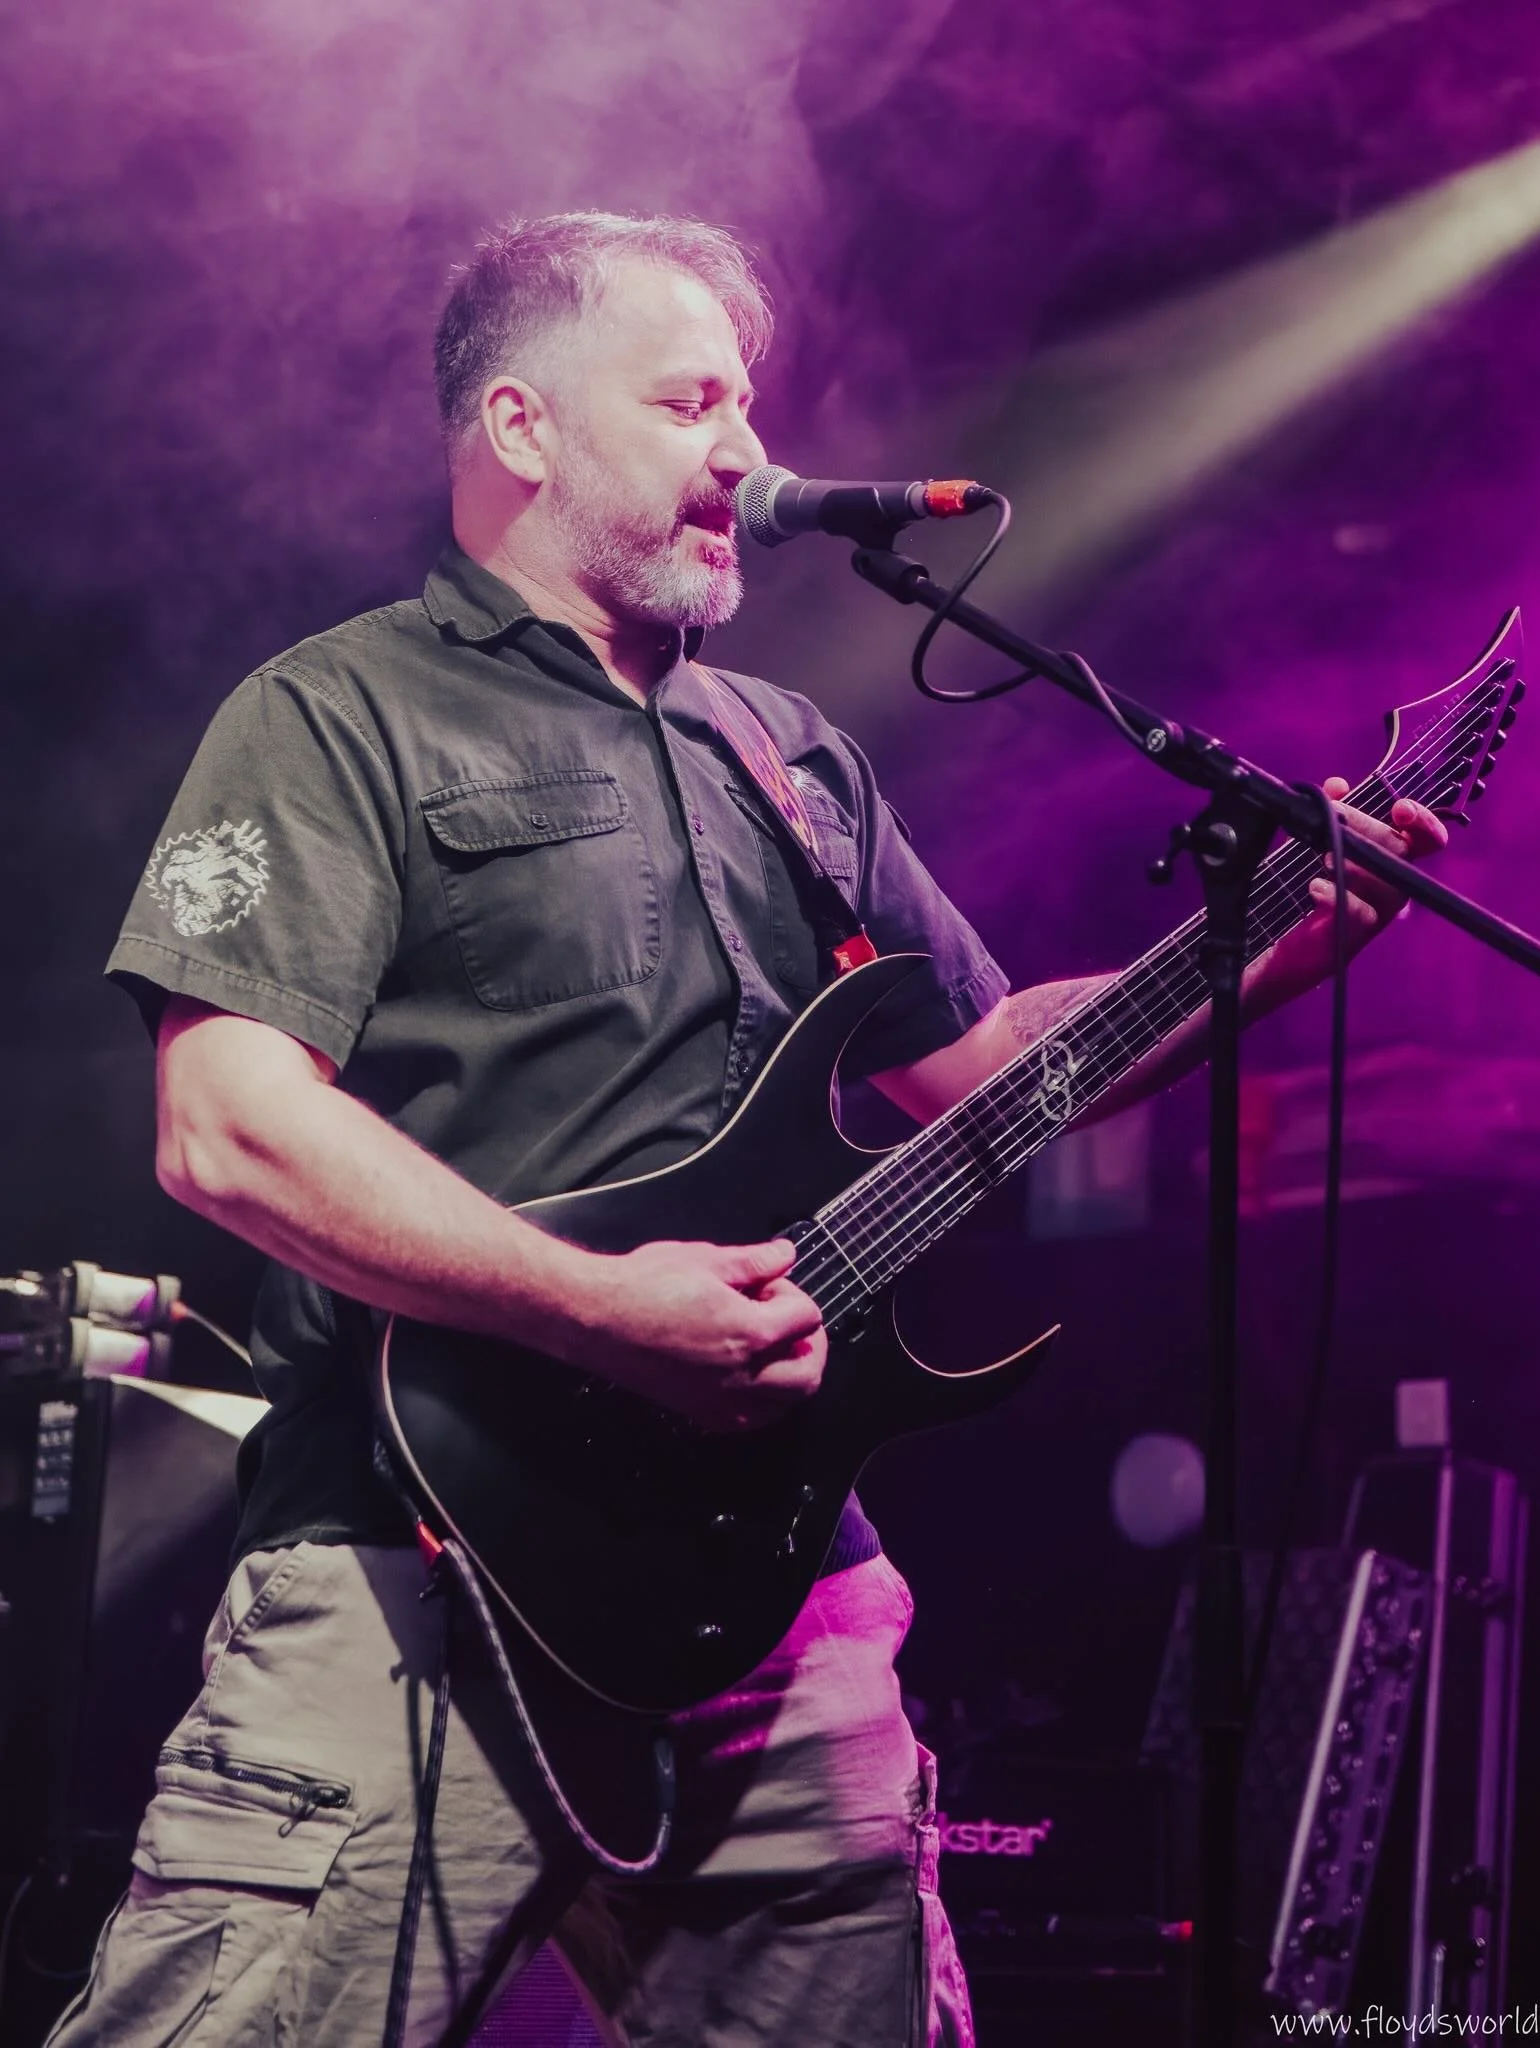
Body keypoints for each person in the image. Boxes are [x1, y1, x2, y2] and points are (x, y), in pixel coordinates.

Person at [50, 212, 1445, 2047]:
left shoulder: (787, 750)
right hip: (417, 1574)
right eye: (690, 396)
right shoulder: (338, 713)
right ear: (524, 427)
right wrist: (601, 1310)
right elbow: (227, 1131)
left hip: (772, 1606)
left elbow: (993, 1064)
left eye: (751, 400)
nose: (746, 448)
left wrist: (1273, 943)